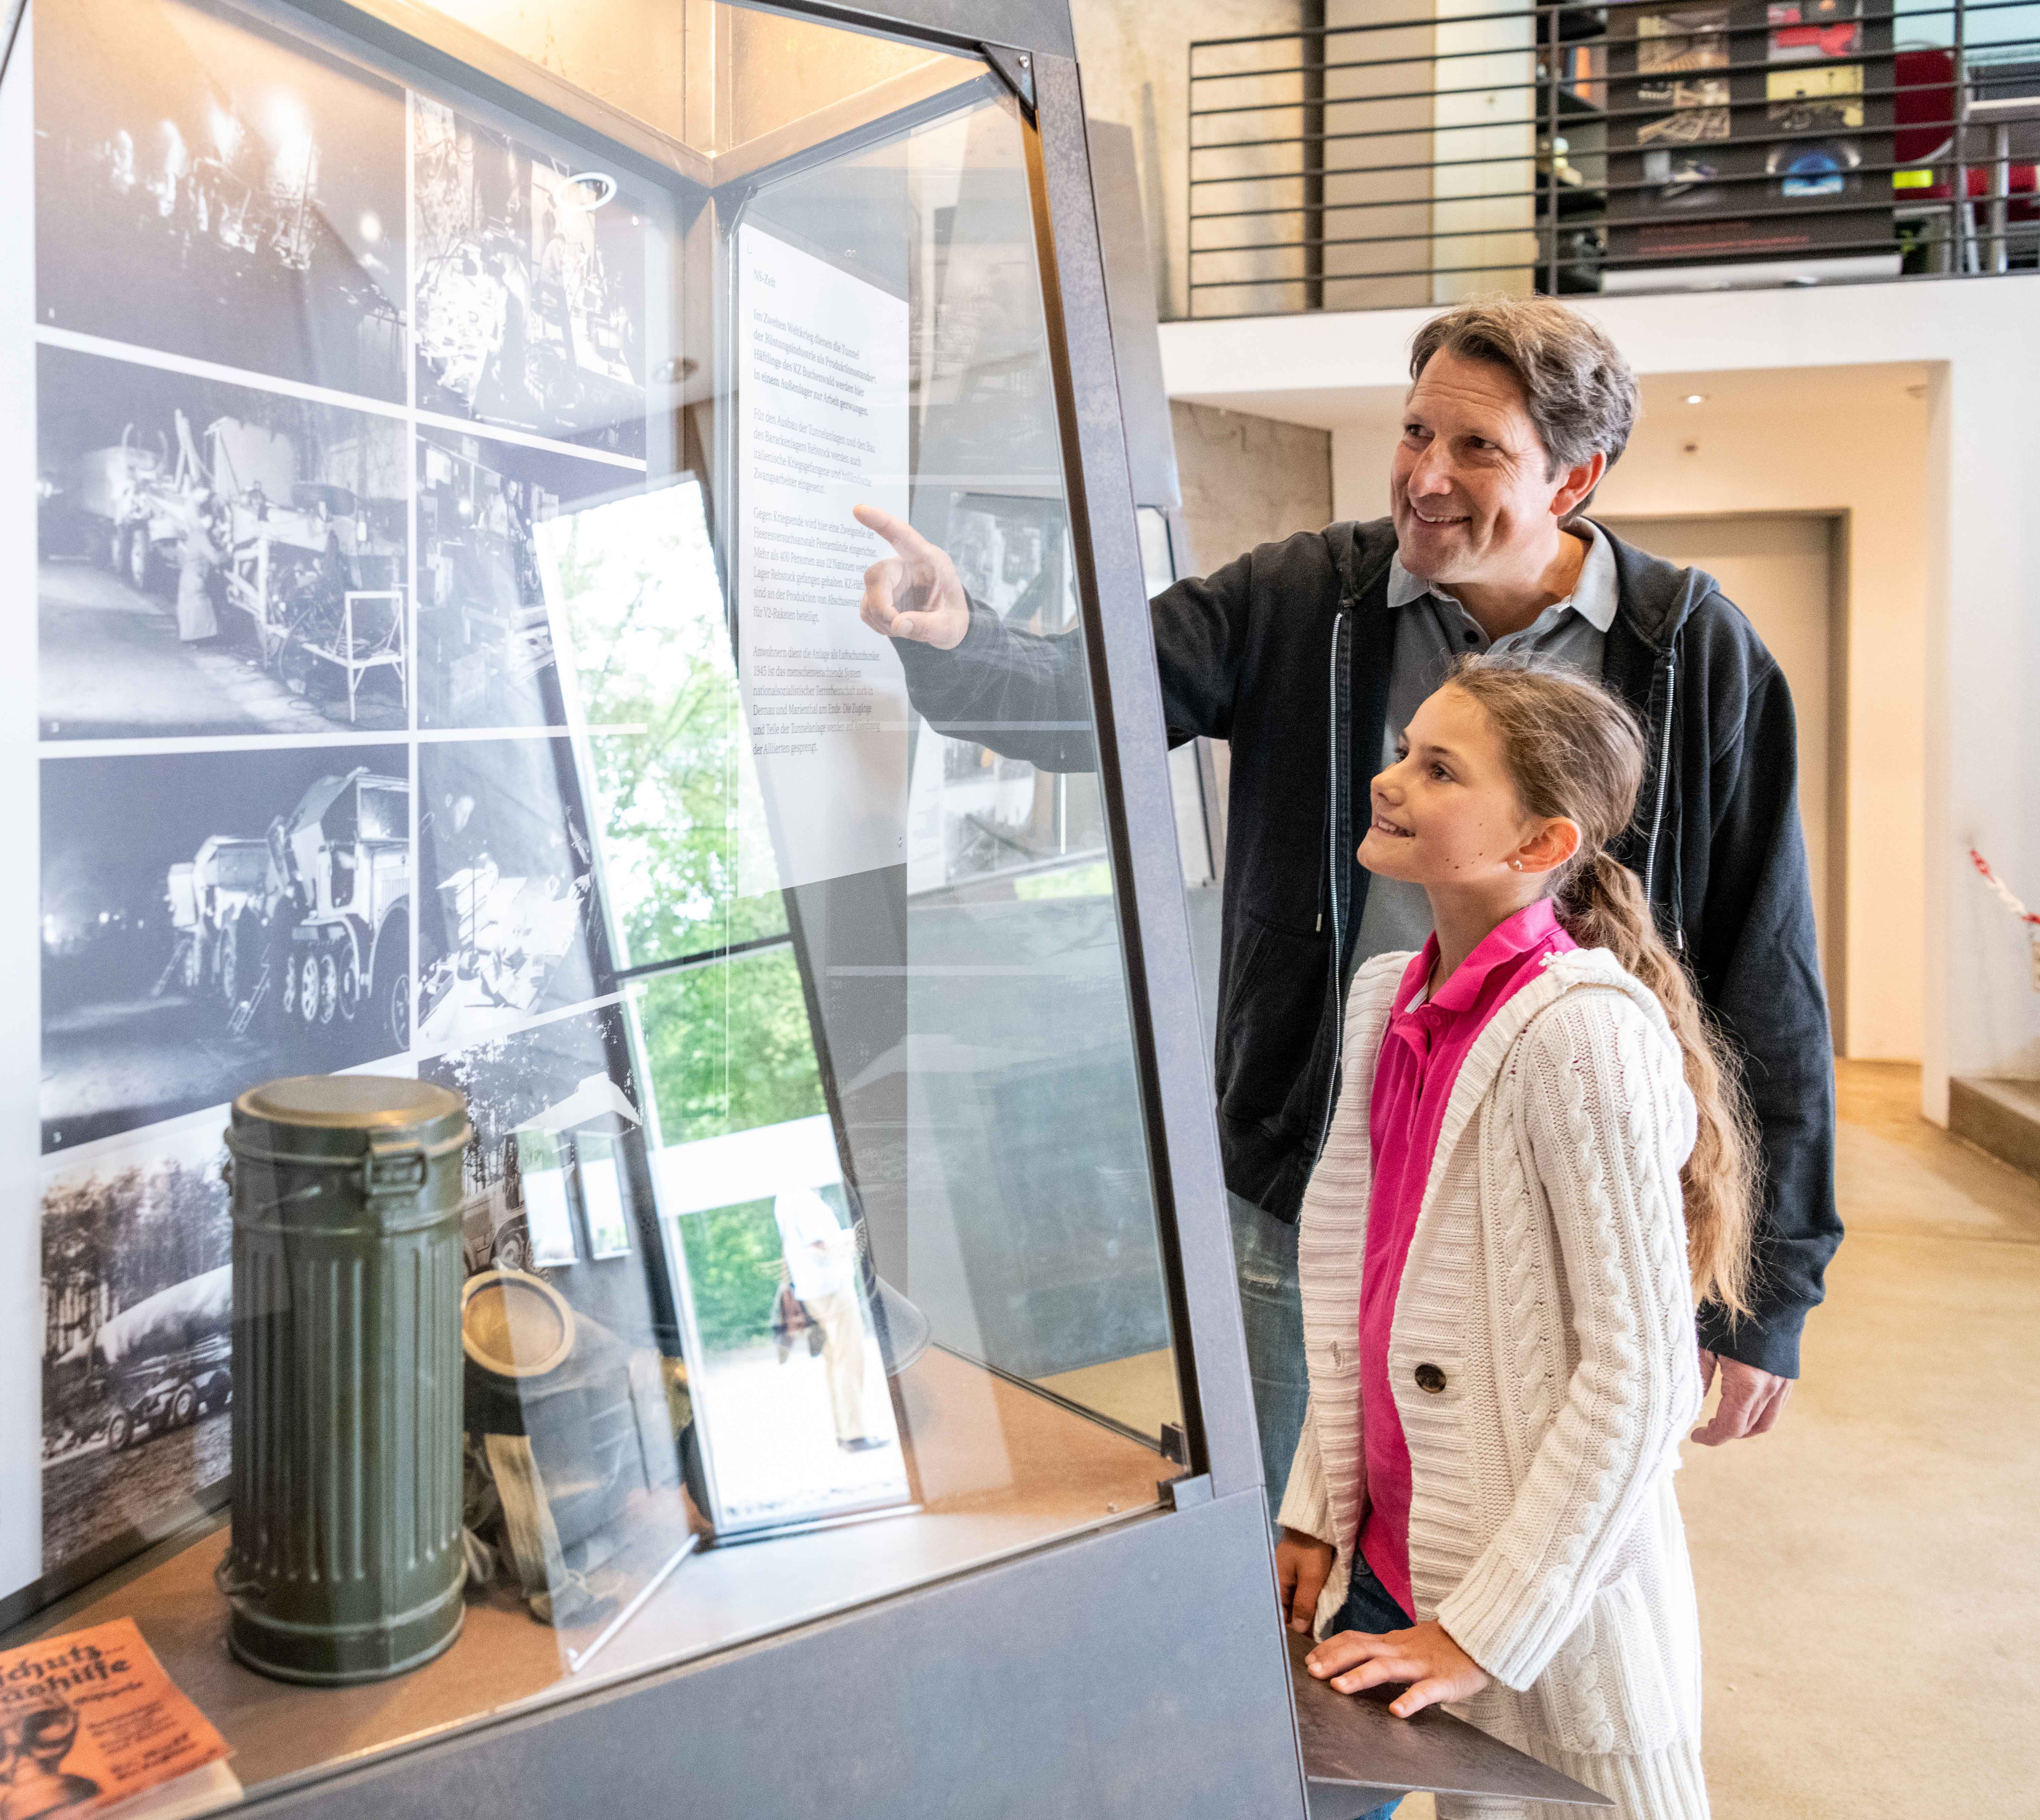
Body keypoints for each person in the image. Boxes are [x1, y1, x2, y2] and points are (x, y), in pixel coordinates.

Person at [856, 297, 1837, 1511]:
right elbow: (1091, 695)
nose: (1423, 478)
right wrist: (959, 638)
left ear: (1573, 477)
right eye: (1415, 432)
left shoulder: (1692, 652)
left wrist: (1764, 1295)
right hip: (1309, 1173)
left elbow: (1766, 975)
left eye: (1476, 449)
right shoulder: (1298, 597)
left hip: (1562, 1209)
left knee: (1492, 1550)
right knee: (1261, 1531)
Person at [1278, 653, 1744, 1818]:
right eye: (1400, 750)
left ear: (1538, 844)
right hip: (1388, 1560)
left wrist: (1482, 1633)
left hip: (1535, 1609)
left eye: (1437, 769)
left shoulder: (1579, 1036)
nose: (1389, 782)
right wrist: (1312, 1505)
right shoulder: (1385, 997)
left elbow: (1638, 1384)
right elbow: (1362, 1300)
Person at [772, 1186, 883, 1452]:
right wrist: (852, 1240)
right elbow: (817, 1247)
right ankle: (854, 1434)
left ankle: (845, 1433)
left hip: (812, 1290)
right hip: (832, 1289)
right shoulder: (805, 1198)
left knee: (835, 1361)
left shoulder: (784, 1197)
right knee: (849, 1359)